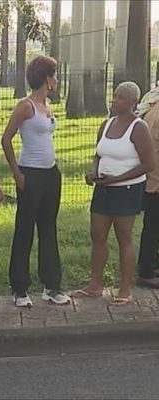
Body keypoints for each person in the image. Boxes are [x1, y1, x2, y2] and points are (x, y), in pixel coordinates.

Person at [73, 81, 154, 304]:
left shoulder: (138, 128)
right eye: (115, 96)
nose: (115, 100)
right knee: (97, 235)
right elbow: (99, 154)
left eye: (121, 98)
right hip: (103, 189)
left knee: (124, 238)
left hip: (127, 190)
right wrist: (93, 172)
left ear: (132, 102)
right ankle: (94, 285)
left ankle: (125, 289)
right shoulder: (106, 124)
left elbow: (149, 164)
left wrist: (118, 179)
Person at [1, 55, 70, 308]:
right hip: (30, 173)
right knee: (25, 229)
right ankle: (19, 288)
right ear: (46, 78)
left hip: (51, 174)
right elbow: (6, 139)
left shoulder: (47, 105)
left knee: (48, 228)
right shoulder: (25, 105)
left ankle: (51, 286)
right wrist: (17, 173)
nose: (57, 79)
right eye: (54, 74)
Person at [135, 87, 159, 289]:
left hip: (150, 174)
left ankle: (150, 265)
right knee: (152, 226)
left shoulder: (151, 99)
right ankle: (145, 270)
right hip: (156, 176)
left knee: (153, 224)